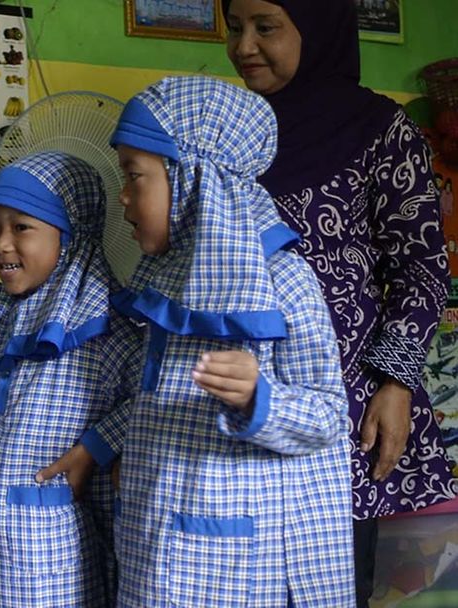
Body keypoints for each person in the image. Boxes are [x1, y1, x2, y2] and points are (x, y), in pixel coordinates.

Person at [68, 75, 355, 606]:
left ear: (194, 178)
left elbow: (328, 416)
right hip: (155, 537)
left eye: (135, 177)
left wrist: (258, 398)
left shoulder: (282, 280)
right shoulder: (165, 278)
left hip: (239, 556)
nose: (123, 199)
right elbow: (155, 396)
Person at [224, 2, 456, 604]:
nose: (244, 45)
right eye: (234, 27)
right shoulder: (228, 136)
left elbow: (421, 268)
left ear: (317, 27)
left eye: (265, 26)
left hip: (346, 413)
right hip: (234, 402)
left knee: (333, 585)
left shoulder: (378, 130)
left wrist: (395, 384)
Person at [0, 151, 141, 607]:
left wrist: (93, 448)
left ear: (72, 233)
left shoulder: (103, 324)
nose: (0, 244)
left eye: (22, 227)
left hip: (54, 558)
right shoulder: (6, 311)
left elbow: (150, 398)